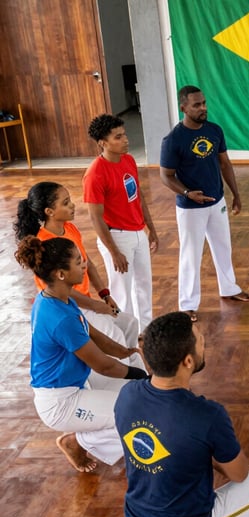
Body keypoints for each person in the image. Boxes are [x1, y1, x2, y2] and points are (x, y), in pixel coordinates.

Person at [114, 312, 249, 517]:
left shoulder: (127, 395)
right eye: (201, 340)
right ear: (187, 361)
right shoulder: (207, 415)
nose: (205, 342)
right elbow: (239, 474)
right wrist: (206, 453)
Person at [15, 236, 147, 473]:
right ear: (61, 274)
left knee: (138, 395)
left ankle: (89, 431)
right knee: (134, 411)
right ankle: (76, 442)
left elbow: (94, 334)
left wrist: (124, 351)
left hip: (77, 384)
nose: (84, 264)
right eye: (78, 261)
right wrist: (139, 374)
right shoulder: (60, 317)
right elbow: (103, 366)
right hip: (60, 402)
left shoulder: (58, 299)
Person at [14, 181, 142, 369]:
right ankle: (126, 379)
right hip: (69, 307)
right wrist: (95, 306)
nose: (72, 205)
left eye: (70, 200)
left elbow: (87, 264)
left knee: (130, 323)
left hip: (86, 302)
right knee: (116, 338)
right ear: (49, 211)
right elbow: (60, 290)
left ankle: (134, 370)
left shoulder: (70, 229)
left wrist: (105, 294)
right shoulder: (44, 244)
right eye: (65, 203)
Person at [160, 86, 249, 322]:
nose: (203, 108)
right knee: (191, 254)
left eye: (204, 103)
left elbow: (225, 164)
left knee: (224, 247)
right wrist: (188, 193)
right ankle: (188, 304)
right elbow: (166, 176)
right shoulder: (173, 140)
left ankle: (229, 288)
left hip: (217, 201)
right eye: (196, 105)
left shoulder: (214, 130)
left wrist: (236, 194)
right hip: (190, 209)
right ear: (184, 108)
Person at [84, 114, 158, 331]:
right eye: (118, 137)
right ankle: (125, 333)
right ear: (102, 143)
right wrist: (114, 251)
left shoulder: (128, 160)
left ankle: (145, 329)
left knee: (144, 285)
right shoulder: (95, 174)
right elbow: (95, 217)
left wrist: (150, 228)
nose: (125, 140)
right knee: (122, 291)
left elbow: (139, 196)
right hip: (116, 237)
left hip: (137, 232)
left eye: (124, 135)